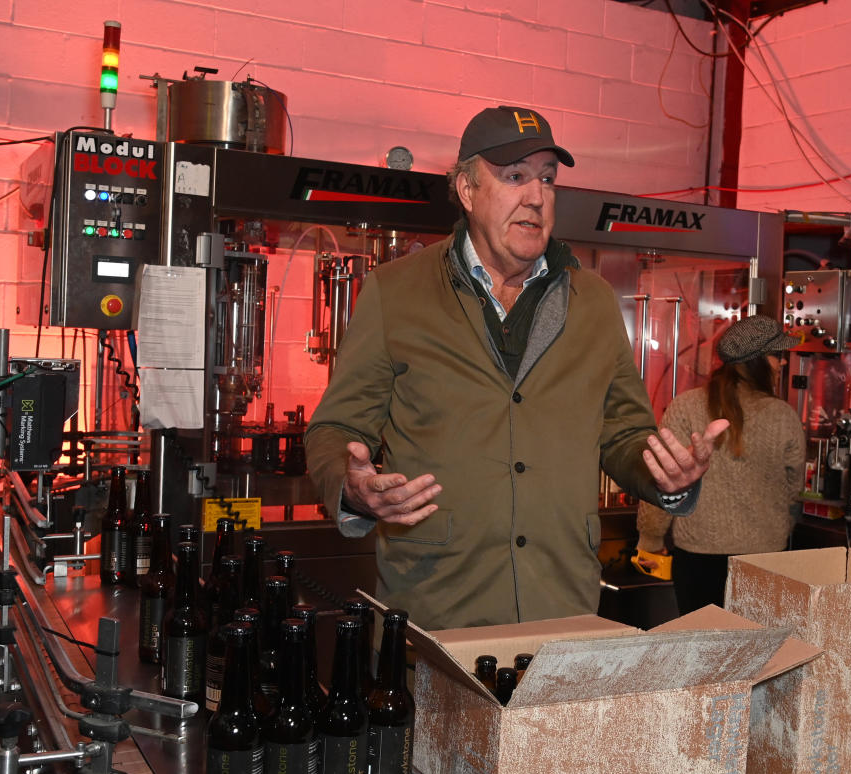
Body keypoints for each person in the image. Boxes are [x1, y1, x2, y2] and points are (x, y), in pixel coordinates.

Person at [304, 105, 728, 630]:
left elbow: (623, 433)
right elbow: (335, 428)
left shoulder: (592, 301)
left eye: (548, 179)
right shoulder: (396, 294)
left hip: (563, 613)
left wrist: (667, 478)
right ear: (466, 190)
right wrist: (352, 490)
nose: (537, 196)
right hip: (437, 614)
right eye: (515, 177)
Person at [635, 315, 805, 614]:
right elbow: (793, 491)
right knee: (758, 655)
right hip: (765, 561)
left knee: (705, 652)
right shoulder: (783, 415)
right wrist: (777, 527)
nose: (783, 364)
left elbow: (662, 479)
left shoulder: (686, 406)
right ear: (756, 362)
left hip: (697, 559)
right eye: (777, 356)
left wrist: (651, 537)